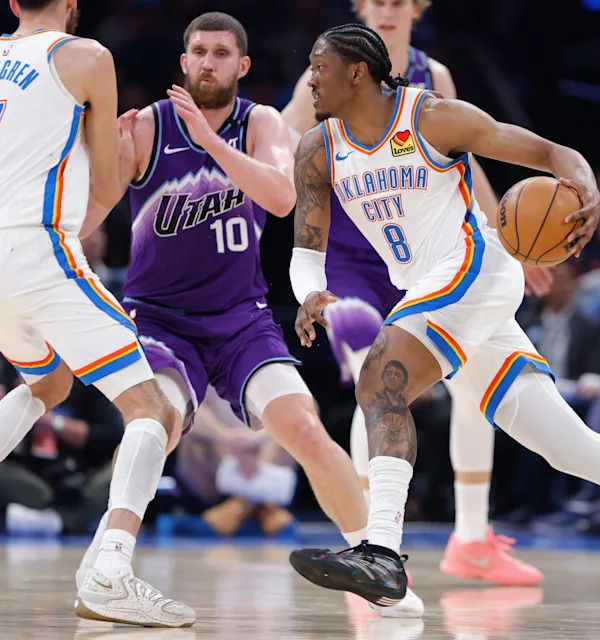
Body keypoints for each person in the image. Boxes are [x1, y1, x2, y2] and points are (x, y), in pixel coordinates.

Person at [286, 23, 600, 624]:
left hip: (475, 266)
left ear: (357, 72)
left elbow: (549, 153)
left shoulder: (429, 118)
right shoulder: (317, 148)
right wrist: (310, 294)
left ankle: (382, 552)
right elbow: (306, 253)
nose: (310, 76)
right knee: (572, 448)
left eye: (319, 65)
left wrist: (588, 189)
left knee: (380, 378)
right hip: (438, 293)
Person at [64, 12, 425, 616]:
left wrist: (207, 141)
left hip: (240, 319)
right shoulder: (147, 127)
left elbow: (282, 197)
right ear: (183, 62)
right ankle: (111, 563)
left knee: (306, 428)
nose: (209, 62)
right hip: (160, 317)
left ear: (242, 65)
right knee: (157, 422)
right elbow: (87, 206)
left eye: (222, 52)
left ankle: (380, 572)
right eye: (199, 51)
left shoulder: (259, 123)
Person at [0, 0, 195, 627]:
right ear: (72, 4)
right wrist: (124, 158)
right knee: (152, 407)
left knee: (49, 381)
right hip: (35, 247)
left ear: (13, 3)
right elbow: (102, 186)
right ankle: (111, 572)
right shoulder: (89, 57)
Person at [281, 0, 545, 587]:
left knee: (471, 383)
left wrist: (504, 234)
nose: (387, 10)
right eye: (376, 1)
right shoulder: (321, 75)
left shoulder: (433, 77)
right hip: (353, 253)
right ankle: (367, 540)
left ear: (418, 8)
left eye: (398, 0)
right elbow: (283, 137)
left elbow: (465, 165)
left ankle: (471, 538)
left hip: (432, 249)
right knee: (370, 379)